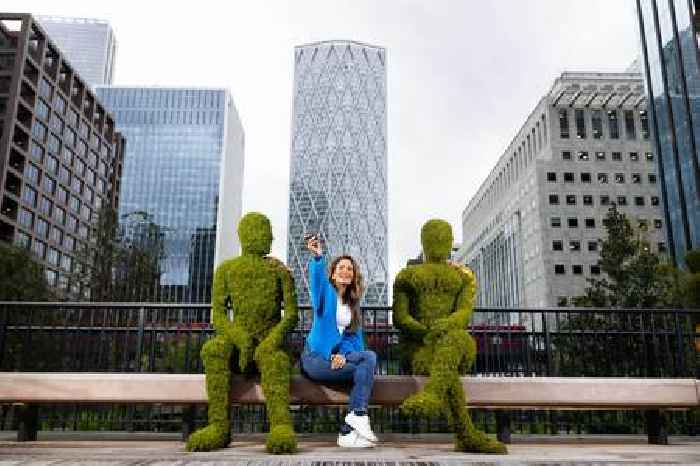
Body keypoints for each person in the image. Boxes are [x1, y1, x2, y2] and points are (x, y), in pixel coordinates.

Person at [301, 234, 378, 448]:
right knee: (364, 369)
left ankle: (352, 423)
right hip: (315, 357)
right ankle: (352, 423)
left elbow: (352, 339)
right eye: (341, 268)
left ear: (354, 277)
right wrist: (318, 258)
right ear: (333, 275)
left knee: (369, 358)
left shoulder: (353, 305)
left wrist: (343, 356)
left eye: (350, 269)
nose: (346, 271)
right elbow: (316, 283)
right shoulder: (325, 293)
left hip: (336, 357)